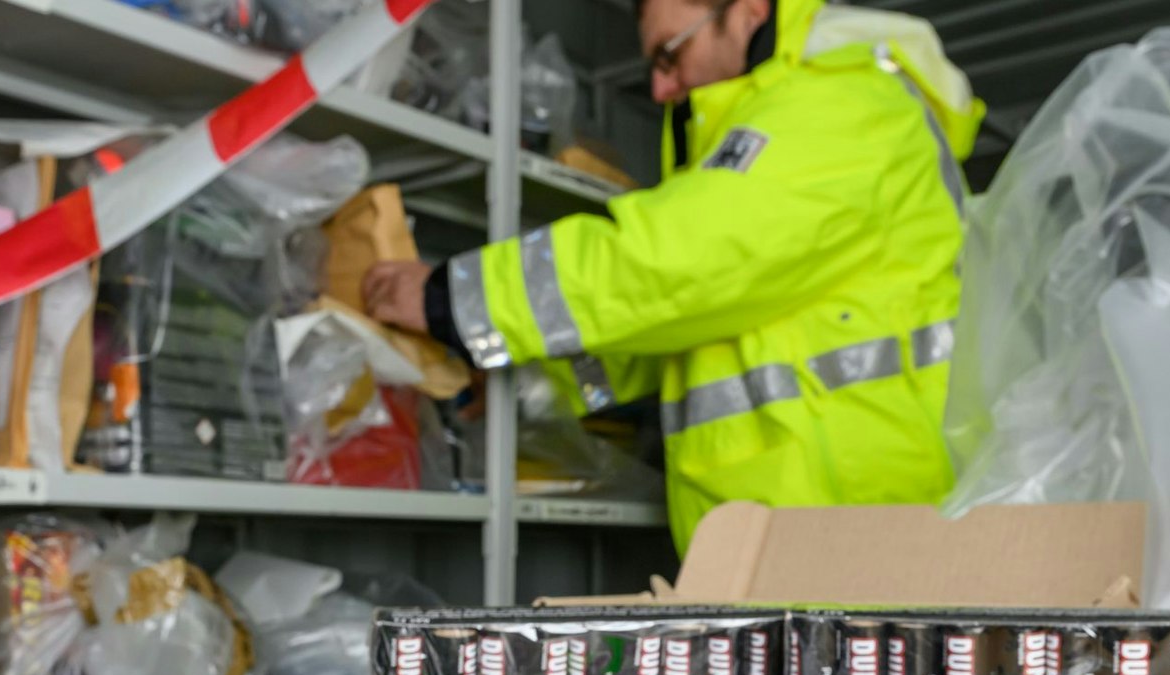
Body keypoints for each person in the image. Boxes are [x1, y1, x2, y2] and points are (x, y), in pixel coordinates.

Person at [363, 0, 983, 554]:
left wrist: (456, 300)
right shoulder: (785, 122)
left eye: (669, 53)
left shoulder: (845, 100)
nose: (660, 88)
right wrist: (527, 380)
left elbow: (683, 260)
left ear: (748, 12)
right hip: (816, 529)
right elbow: (680, 323)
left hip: (860, 528)